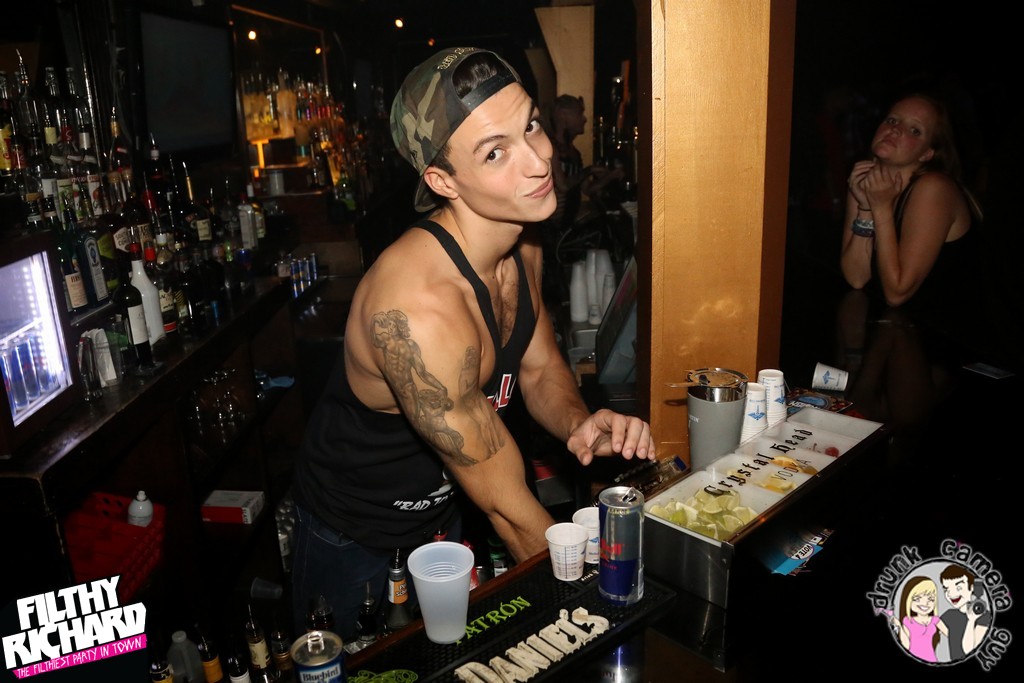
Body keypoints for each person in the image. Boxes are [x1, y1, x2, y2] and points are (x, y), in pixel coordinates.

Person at [289, 47, 656, 639]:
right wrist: (603, 606)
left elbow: (538, 368)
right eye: (494, 152)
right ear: (442, 181)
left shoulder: (522, 237)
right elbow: (506, 505)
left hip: (446, 515)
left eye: (530, 125)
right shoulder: (419, 308)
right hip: (354, 534)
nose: (539, 159)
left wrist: (577, 423)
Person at [839, 93, 981, 325]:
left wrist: (881, 208)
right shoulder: (867, 180)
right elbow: (856, 277)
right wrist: (865, 207)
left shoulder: (934, 188)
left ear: (927, 153)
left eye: (915, 130)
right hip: (898, 327)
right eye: (892, 120)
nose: (895, 130)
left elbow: (897, 293)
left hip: (949, 333)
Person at [546, 94, 623, 230]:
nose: (585, 119)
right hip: (550, 230)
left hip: (565, 228)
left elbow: (587, 189)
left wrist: (611, 176)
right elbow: (563, 186)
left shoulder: (574, 152)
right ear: (563, 116)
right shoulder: (550, 148)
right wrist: (589, 170)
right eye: (579, 114)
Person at [890, 575, 948, 662]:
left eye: (931, 599)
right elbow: (906, 645)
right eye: (917, 599)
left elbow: (951, 635)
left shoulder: (935, 620)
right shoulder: (908, 621)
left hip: (931, 659)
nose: (925, 603)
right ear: (908, 600)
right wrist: (899, 626)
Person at [939, 564, 991, 661]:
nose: (951, 594)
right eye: (946, 589)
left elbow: (969, 650)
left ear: (971, 587)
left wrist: (971, 620)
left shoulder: (984, 616)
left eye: (958, 588)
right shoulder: (949, 615)